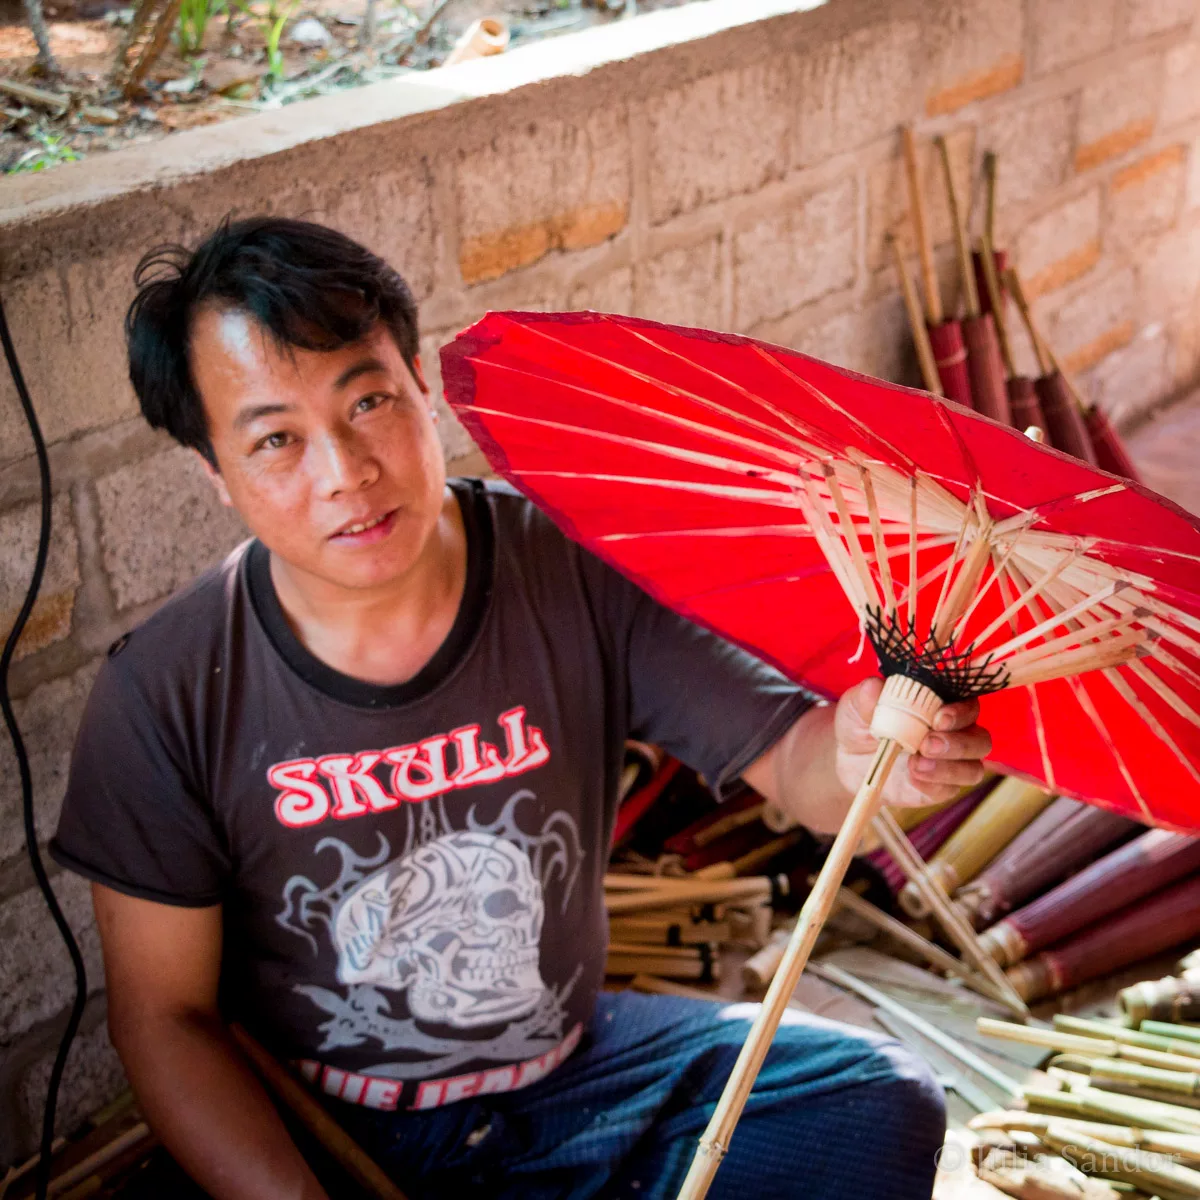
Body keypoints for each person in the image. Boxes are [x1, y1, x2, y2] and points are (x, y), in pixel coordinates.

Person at [51, 218, 990, 1200]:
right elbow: (163, 1019)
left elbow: (803, 773)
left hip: (575, 1077)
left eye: (368, 400)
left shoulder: (570, 567)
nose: (345, 471)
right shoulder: (164, 692)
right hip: (340, 1128)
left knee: (872, 1100)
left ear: (421, 386)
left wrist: (874, 755)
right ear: (217, 475)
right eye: (277, 440)